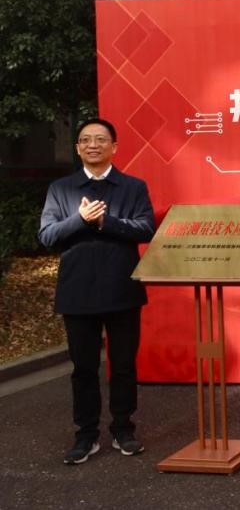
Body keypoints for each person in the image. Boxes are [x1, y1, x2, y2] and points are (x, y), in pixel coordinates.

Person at [38, 118, 156, 464]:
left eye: (101, 139)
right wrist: (80, 219)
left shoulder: (133, 187)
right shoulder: (61, 189)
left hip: (122, 289)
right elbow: (47, 236)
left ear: (114, 147)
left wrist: (105, 222)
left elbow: (146, 229)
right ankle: (85, 434)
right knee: (84, 368)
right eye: (86, 140)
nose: (93, 145)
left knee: (123, 366)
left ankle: (123, 429)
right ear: (78, 148)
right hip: (77, 293)